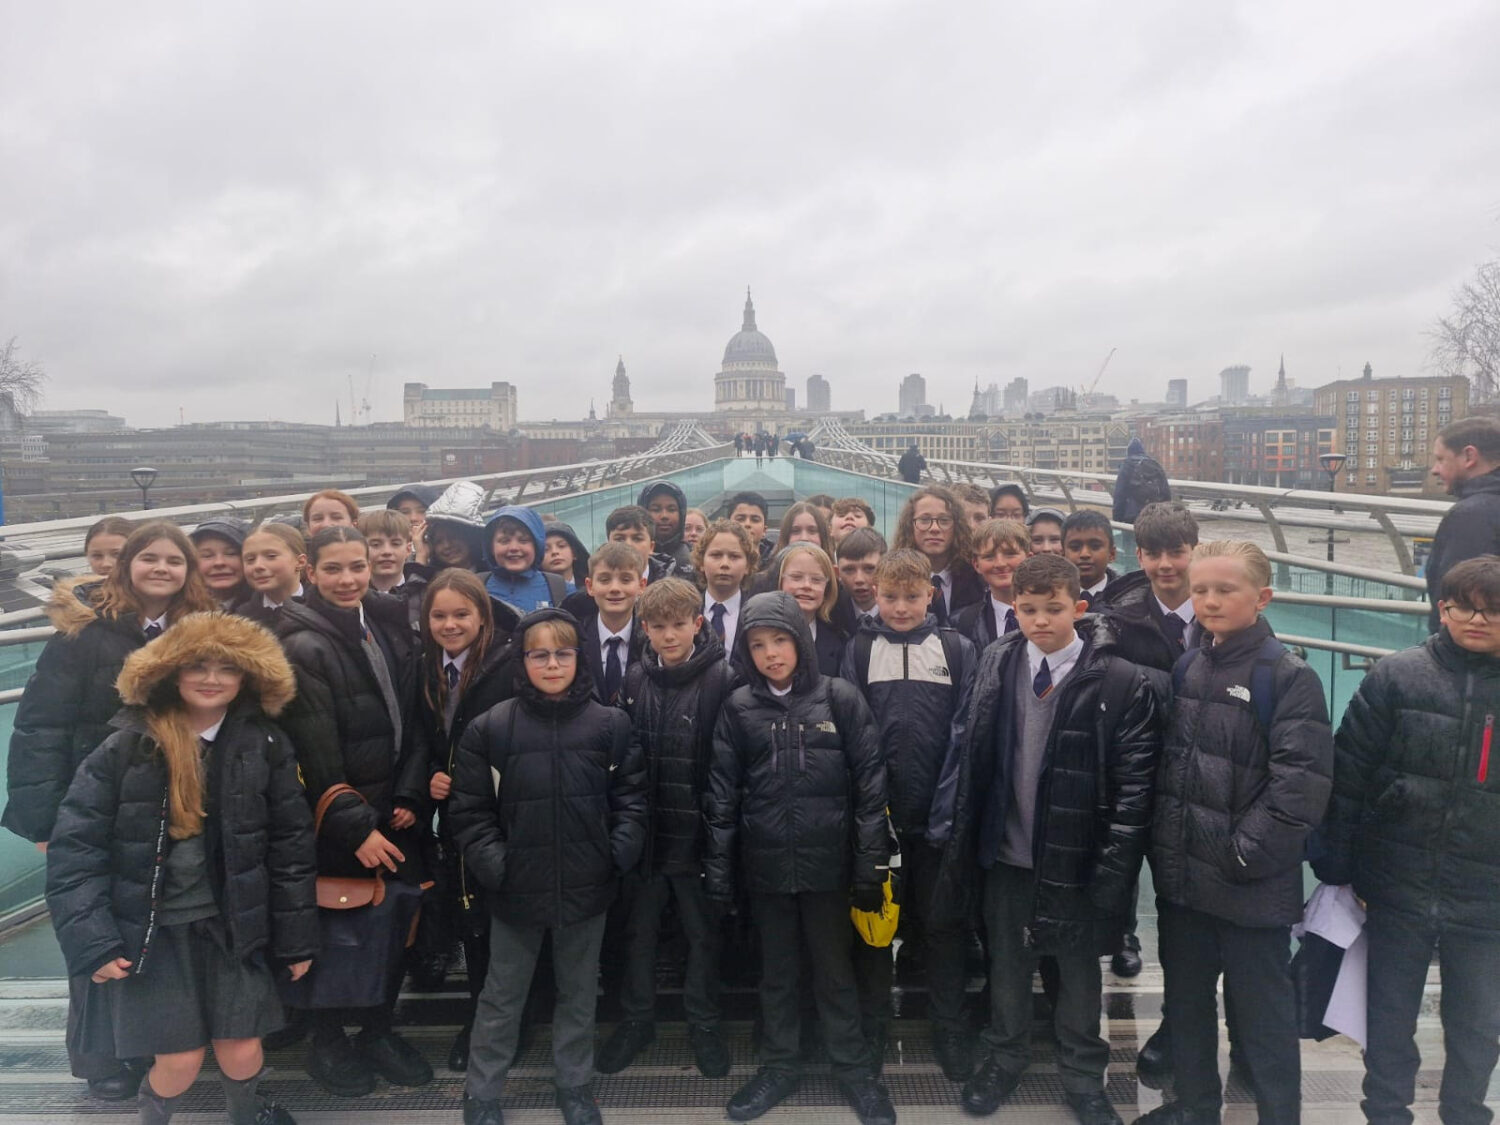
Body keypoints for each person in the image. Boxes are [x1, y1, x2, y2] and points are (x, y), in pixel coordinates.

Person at [45, 613, 318, 1125]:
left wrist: (297, 937)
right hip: (155, 931)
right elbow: (74, 849)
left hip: (234, 927)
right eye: (198, 665)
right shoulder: (126, 745)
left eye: (227, 668)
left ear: (247, 679)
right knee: (181, 1059)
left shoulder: (264, 744)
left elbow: (291, 846)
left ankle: (247, 1114)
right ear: (170, 672)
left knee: (241, 1048)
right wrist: (95, 941)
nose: (212, 678)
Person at [929, 554, 1160, 1125]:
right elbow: (970, 748)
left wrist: (1112, 868)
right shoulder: (997, 660)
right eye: (1026, 609)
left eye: (1053, 609)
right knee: (1007, 965)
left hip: (1075, 859)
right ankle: (1004, 1057)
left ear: (1079, 609)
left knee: (1078, 975)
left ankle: (1084, 1075)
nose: (1039, 621)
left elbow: (1134, 787)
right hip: (1007, 852)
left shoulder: (1118, 680)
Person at [5, 520, 217, 1101]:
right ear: (126, 566)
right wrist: (44, 819)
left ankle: (160, 1040)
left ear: (188, 572)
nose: (162, 570)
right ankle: (102, 1056)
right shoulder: (84, 636)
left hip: (174, 803)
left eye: (175, 561)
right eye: (149, 558)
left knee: (154, 921)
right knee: (94, 926)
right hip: (95, 801)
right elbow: (39, 727)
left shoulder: (198, 632)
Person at [1137, 541, 1333, 1125]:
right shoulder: (1189, 664)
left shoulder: (1287, 675)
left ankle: (1280, 1116)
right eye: (1201, 590)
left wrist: (1240, 856)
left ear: (1262, 597)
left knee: (1263, 1016)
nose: (1211, 601)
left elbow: (1300, 786)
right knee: (1188, 1008)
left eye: (1226, 590)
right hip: (1184, 883)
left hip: (1248, 886)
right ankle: (1196, 1109)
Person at [1313, 554, 1500, 1125]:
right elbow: (1350, 776)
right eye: (1462, 606)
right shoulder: (1395, 676)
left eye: (1492, 610)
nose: (1476, 619)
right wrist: (1340, 868)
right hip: (1396, 882)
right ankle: (1386, 1113)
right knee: (1389, 1015)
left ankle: (1466, 1112)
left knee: (1479, 1021)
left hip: (1487, 891)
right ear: (1441, 608)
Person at [449, 608, 647, 1125]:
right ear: (523, 659)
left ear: (579, 659)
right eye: (540, 654)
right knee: (502, 994)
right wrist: (498, 866)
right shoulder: (490, 728)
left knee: (579, 993)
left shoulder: (609, 723)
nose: (552, 663)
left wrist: (615, 852)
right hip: (516, 888)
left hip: (588, 884)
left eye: (563, 653)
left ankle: (575, 1086)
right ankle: (483, 1092)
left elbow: (631, 797)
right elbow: (469, 811)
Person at [705, 592, 895, 1125]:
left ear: (801, 641)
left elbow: (871, 787)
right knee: (778, 974)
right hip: (766, 869)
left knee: (835, 973)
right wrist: (721, 873)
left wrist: (868, 865)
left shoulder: (839, 698)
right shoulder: (739, 707)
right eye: (758, 645)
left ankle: (856, 1071)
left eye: (780, 640)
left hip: (829, 869)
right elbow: (721, 796)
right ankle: (780, 1065)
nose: (771, 654)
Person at [273, 526, 431, 1097]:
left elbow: (415, 723)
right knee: (336, 927)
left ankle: (378, 1029)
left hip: (393, 812)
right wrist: (357, 825)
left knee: (391, 926)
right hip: (341, 820)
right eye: (333, 569)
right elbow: (313, 753)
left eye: (356, 567)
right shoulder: (301, 645)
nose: (348, 580)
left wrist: (410, 797)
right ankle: (329, 1040)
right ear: (308, 571)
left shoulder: (384, 625)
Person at [841, 549, 977, 1082]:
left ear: (931, 595)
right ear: (876, 593)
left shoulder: (957, 649)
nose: (900, 607)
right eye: (890, 596)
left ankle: (949, 1024)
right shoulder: (858, 650)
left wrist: (949, 807)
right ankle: (873, 1024)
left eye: (911, 596)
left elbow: (965, 734)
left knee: (942, 924)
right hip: (879, 820)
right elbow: (850, 733)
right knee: (874, 929)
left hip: (937, 818)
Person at [597, 578, 740, 1078]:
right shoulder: (636, 679)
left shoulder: (724, 678)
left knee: (703, 935)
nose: (669, 635)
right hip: (647, 833)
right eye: (658, 626)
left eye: (679, 624)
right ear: (645, 629)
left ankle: (703, 1021)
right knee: (639, 932)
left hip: (699, 834)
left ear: (698, 624)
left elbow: (730, 762)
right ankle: (638, 1019)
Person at [1093, 501, 1201, 998]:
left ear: (1194, 552)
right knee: (1124, 861)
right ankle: (1123, 937)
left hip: (1201, 777)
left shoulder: (1221, 611)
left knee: (1184, 898)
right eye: (1153, 554)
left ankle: (1182, 1008)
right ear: (1138, 555)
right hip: (1138, 766)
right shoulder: (1120, 617)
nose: (1165, 566)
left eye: (1176, 553)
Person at [410, 569, 515, 1073]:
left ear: (482, 617)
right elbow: (421, 737)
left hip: (500, 811)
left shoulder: (507, 663)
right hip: (451, 817)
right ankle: (481, 1014)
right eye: (439, 615)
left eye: (461, 614)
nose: (450, 625)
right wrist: (431, 775)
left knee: (505, 921)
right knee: (471, 921)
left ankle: (508, 1016)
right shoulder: (424, 666)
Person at [1426, 416, 1500, 632]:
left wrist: (1441, 661)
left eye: (1441, 459)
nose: (1435, 470)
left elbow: (1463, 604)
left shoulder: (1471, 516)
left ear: (1469, 456)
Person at [892, 486, 984, 626]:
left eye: (944, 520)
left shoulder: (977, 576)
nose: (934, 528)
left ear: (957, 526)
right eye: (924, 520)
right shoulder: (892, 576)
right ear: (909, 526)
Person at [578, 542, 647, 707]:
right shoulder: (575, 639)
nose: (615, 588)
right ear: (590, 586)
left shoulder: (654, 641)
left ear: (641, 586)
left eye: (626, 579)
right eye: (604, 580)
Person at [953, 519, 1029, 651]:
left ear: (1029, 558)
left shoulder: (1051, 614)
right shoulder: (961, 622)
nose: (1000, 564)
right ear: (976, 565)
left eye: (1010, 554)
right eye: (989, 556)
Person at [484, 505, 568, 615]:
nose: (514, 548)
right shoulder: (475, 587)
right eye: (504, 541)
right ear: (491, 547)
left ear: (537, 546)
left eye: (523, 540)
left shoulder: (561, 589)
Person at [776, 542, 845, 677]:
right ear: (780, 582)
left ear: (827, 589)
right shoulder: (760, 633)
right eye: (796, 577)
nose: (807, 586)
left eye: (816, 580)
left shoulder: (839, 641)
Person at [694, 518, 756, 661]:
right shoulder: (687, 611)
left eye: (734, 556)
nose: (724, 564)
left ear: (747, 566)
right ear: (701, 562)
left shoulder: (756, 614)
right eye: (716, 555)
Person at [235, 523, 308, 626]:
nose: (258, 566)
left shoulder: (323, 608)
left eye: (271, 556)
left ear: (300, 562)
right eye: (250, 559)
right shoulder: (241, 618)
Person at [191, 519, 251, 609]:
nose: (219, 562)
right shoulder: (177, 612)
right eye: (207, 555)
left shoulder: (271, 607)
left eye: (231, 553)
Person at [1062, 511, 1118, 606]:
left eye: (1095, 546)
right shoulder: (1047, 597)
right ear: (1062, 555)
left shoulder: (1129, 598)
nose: (1085, 554)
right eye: (1075, 547)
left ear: (1112, 554)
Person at [637, 480, 694, 573]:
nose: (664, 516)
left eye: (671, 509)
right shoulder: (630, 556)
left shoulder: (695, 558)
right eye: (655, 509)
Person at [1112, 437, 1171, 525]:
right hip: (1154, 516)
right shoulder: (1155, 465)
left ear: (1128, 452)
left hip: (1132, 517)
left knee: (1130, 538)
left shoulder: (1127, 465)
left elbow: (1119, 494)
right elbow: (1166, 494)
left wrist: (1117, 519)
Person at [358, 510, 413, 595]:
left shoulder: (426, 594)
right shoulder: (351, 597)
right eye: (376, 544)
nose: (386, 551)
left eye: (395, 544)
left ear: (408, 549)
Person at [836, 528, 887, 621]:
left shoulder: (903, 615)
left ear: (886, 568)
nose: (859, 579)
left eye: (869, 569)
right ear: (837, 573)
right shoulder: (827, 616)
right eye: (849, 570)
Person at [729, 491, 776, 565]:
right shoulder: (715, 561)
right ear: (727, 525)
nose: (747, 524)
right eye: (740, 519)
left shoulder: (777, 565)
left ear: (764, 530)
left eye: (755, 520)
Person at [543, 523, 591, 592]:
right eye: (546, 549)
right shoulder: (536, 592)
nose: (554, 552)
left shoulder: (592, 588)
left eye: (561, 546)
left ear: (574, 553)